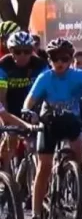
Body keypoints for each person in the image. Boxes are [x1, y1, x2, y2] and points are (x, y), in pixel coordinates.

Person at [23, 38, 82, 219]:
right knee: (44, 167)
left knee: (78, 149)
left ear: (71, 59)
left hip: (71, 121)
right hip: (49, 123)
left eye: (64, 58)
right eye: (54, 58)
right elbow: (30, 101)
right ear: (50, 60)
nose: (59, 62)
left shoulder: (80, 76)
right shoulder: (45, 77)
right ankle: (36, 216)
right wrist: (27, 111)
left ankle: (74, 178)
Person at [0, 31, 48, 171]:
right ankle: (5, 175)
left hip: (31, 106)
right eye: (18, 51)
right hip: (9, 104)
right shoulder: (4, 65)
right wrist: (6, 120)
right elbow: (2, 97)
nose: (22, 55)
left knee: (34, 144)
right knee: (11, 139)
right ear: (11, 51)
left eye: (27, 51)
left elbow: (46, 91)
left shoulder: (40, 64)